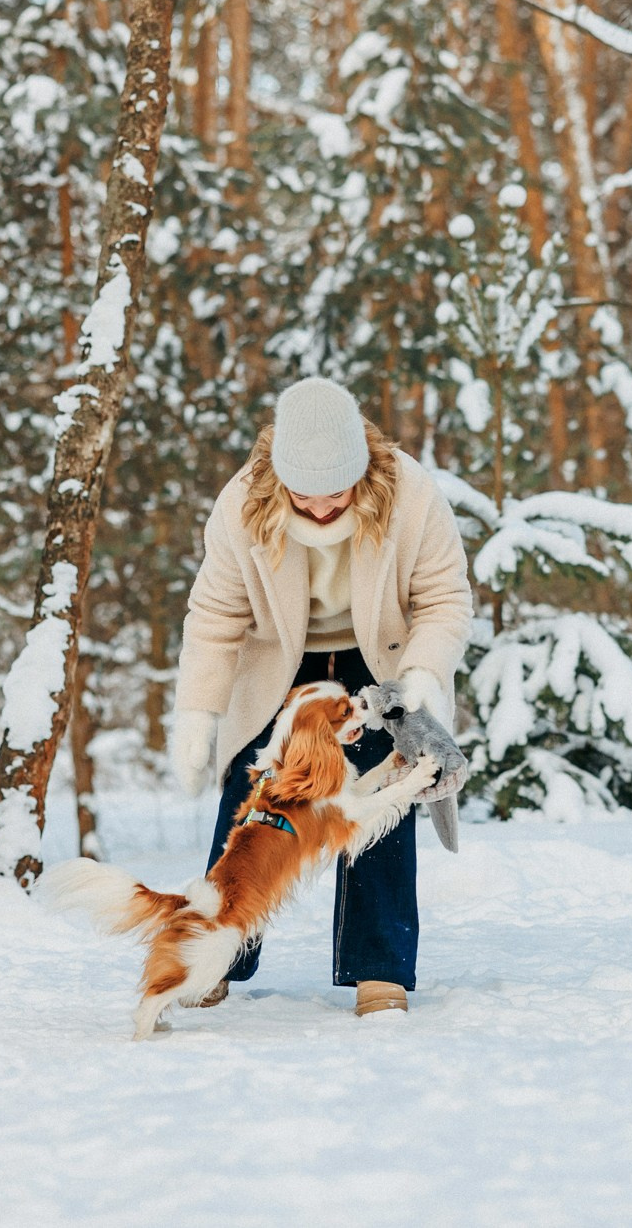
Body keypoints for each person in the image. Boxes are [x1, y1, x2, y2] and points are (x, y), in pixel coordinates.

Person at [168, 376, 472, 1015]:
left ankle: (379, 970)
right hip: (281, 665)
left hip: (380, 661)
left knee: (385, 798)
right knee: (249, 800)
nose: (323, 510)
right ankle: (217, 953)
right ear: (280, 481)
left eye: (337, 495)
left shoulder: (411, 496)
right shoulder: (240, 504)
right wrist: (198, 712)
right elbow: (215, 615)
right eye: (305, 498)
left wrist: (422, 675)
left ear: (362, 473)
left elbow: (445, 599)